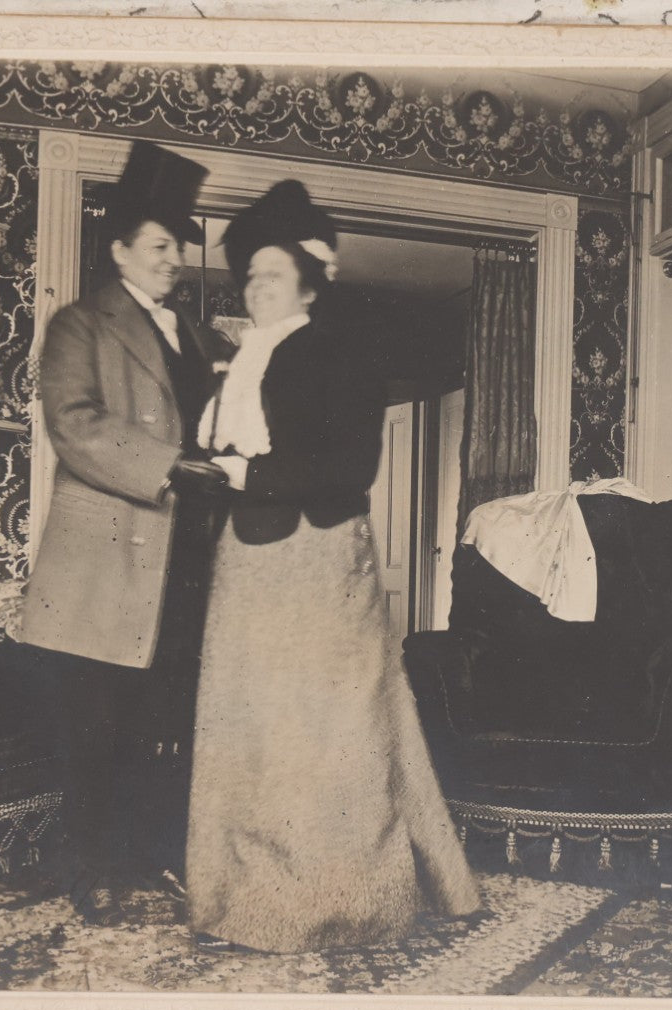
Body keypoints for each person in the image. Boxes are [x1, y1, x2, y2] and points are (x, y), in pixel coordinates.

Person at [184, 180, 482, 953]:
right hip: (246, 560)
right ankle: (242, 898)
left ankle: (336, 906)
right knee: (248, 729)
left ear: (307, 283)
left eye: (272, 277)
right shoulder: (241, 357)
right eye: (249, 277)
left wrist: (250, 475)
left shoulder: (337, 349)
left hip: (317, 558)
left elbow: (350, 465)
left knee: (326, 732)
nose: (256, 288)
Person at [18, 141, 232, 927]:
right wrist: (173, 467)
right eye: (158, 246)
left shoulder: (200, 337)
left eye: (178, 245)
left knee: (161, 723)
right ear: (119, 252)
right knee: (95, 729)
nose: (174, 259)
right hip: (105, 568)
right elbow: (73, 426)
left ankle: (149, 855)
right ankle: (90, 868)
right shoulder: (80, 325)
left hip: (180, 562)